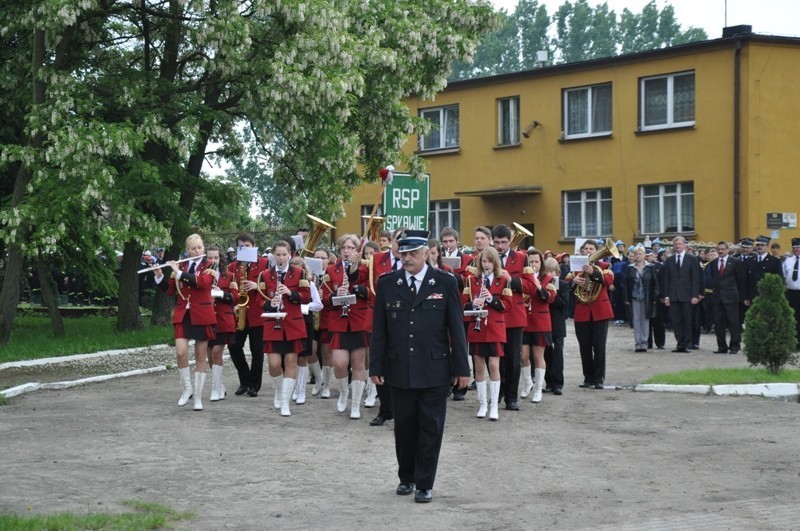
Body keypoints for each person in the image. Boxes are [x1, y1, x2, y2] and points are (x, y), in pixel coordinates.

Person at [370, 230, 470, 504]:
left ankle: (425, 483)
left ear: (427, 253)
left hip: (435, 369)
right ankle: (407, 477)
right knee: (404, 427)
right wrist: (375, 365)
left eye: (413, 253)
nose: (407, 259)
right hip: (399, 368)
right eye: (403, 254)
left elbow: (456, 329)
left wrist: (462, 369)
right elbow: (379, 329)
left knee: (431, 427)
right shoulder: (388, 284)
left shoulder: (445, 283)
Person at [154, 233, 216, 411]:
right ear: (187, 250)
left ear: (203, 248)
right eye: (193, 248)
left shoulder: (210, 265)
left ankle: (198, 396)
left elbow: (202, 283)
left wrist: (180, 272)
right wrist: (159, 276)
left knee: (200, 356)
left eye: (199, 247)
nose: (197, 251)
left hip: (202, 314)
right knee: (181, 353)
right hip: (183, 313)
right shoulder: (180, 266)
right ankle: (187, 389)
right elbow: (170, 291)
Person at [321, 234, 372, 419]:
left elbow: (371, 292)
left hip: (358, 319)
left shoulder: (366, 268)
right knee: (340, 363)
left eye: (351, 248)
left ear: (356, 250)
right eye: (343, 248)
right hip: (338, 321)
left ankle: (356, 404)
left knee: (358, 362)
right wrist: (336, 294)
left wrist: (357, 288)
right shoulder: (331, 269)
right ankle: (343, 393)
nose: (347, 251)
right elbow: (324, 297)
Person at [258, 240, 311, 416]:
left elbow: (306, 297)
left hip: (293, 323)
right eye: (278, 254)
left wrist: (290, 293)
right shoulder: (265, 275)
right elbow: (259, 300)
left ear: (290, 254)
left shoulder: (299, 273)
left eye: (284, 254)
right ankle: (279, 391)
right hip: (273, 323)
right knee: (274, 364)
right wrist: (270, 303)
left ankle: (286, 401)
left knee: (290, 361)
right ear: (273, 254)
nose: (281, 258)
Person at [489, 224, 535, 411]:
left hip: (514, 316)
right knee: (494, 359)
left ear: (510, 241)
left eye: (504, 242)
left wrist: (511, 279)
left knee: (513, 358)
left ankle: (511, 397)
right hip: (493, 314)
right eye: (497, 242)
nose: (500, 246)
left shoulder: (522, 258)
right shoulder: (486, 257)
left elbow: (532, 287)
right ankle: (497, 393)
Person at [462, 246, 511, 420]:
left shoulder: (503, 280)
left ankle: (494, 405)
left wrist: (490, 298)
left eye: (489, 261)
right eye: (484, 261)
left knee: (494, 366)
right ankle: (482, 404)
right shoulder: (471, 280)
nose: (486, 264)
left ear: (495, 262)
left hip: (495, 327)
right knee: (479, 366)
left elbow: (508, 305)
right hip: (477, 327)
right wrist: (473, 303)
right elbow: (463, 305)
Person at [365, 227, 406, 425]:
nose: (401, 245)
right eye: (399, 240)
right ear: (391, 241)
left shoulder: (411, 260)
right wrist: (354, 265)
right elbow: (365, 282)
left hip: (405, 319)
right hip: (381, 316)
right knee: (379, 362)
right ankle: (385, 409)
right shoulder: (377, 258)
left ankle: (401, 409)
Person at [227, 233, 270, 397]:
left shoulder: (265, 263)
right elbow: (229, 288)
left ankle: (254, 385)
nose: (244, 248)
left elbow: (271, 285)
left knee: (257, 351)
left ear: (254, 245)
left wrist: (257, 286)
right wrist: (234, 303)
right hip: (239, 312)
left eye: (247, 245)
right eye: (240, 246)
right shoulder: (233, 266)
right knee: (234, 347)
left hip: (258, 313)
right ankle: (244, 380)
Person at [568, 239, 613, 388]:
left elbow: (608, 280)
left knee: (599, 347)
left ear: (597, 251)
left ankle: (599, 379)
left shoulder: (605, 266)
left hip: (600, 312)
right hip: (582, 313)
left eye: (591, 249)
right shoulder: (575, 268)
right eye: (585, 249)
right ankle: (588, 378)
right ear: (581, 251)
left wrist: (593, 272)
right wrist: (574, 281)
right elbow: (564, 284)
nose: (588, 251)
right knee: (584, 347)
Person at [520, 248, 556, 403]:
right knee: (523, 356)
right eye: (530, 262)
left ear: (541, 263)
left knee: (538, 355)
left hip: (541, 322)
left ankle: (538, 389)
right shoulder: (522, 277)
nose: (533, 264)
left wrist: (538, 285)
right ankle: (528, 382)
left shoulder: (548, 278)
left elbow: (550, 299)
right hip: (524, 320)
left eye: (536, 261)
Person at [205, 244, 238, 402]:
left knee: (217, 352)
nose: (213, 260)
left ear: (221, 259)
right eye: (209, 257)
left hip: (224, 319)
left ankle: (215, 389)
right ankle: (220, 386)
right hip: (206, 318)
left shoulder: (229, 275)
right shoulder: (201, 274)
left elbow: (235, 297)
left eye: (216, 258)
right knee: (209, 354)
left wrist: (221, 293)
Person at [291, 256, 323, 405]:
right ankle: (293, 388)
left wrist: (304, 307)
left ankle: (301, 390)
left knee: (302, 356)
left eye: (300, 269)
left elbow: (318, 304)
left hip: (305, 321)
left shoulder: (309, 284)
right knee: (291, 357)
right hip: (290, 322)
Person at [663, 236, 702, 353]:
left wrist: (695, 295)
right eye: (675, 244)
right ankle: (680, 343)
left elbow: (696, 278)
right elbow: (666, 279)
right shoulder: (669, 260)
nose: (677, 246)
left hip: (687, 295)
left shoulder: (693, 259)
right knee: (676, 321)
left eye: (679, 244)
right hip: (674, 295)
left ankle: (687, 344)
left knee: (687, 320)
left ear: (685, 245)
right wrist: (666, 296)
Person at [711, 241, 745, 354]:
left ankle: (735, 346)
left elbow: (740, 280)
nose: (720, 251)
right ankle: (722, 346)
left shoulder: (735, 262)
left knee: (733, 323)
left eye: (722, 249)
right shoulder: (714, 262)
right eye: (718, 249)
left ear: (728, 250)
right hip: (717, 297)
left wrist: (739, 296)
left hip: (731, 297)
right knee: (718, 323)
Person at [542, 257, 569, 395]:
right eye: (547, 271)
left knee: (558, 353)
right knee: (546, 353)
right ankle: (549, 382)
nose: (550, 274)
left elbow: (564, 304)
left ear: (557, 272)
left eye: (552, 271)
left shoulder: (563, 285)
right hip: (545, 323)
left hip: (558, 324)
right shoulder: (541, 284)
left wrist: (554, 294)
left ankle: (558, 383)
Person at [624, 245, 659, 352]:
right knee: (636, 320)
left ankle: (644, 343)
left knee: (645, 319)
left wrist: (655, 297)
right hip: (634, 297)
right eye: (636, 254)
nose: (638, 256)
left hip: (647, 297)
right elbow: (626, 284)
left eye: (640, 254)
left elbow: (656, 283)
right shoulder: (630, 268)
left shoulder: (651, 267)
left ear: (644, 255)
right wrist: (626, 298)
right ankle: (637, 343)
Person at [782, 238, 800, 350]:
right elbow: (784, 276)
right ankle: (795, 342)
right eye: (794, 248)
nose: (796, 249)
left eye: (798, 247)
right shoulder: (788, 261)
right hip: (791, 293)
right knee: (793, 318)